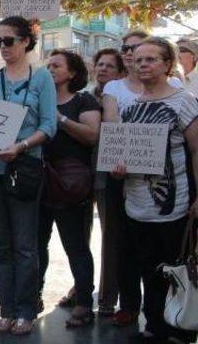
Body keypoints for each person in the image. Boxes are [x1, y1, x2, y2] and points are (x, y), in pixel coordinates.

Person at [0, 16, 57, 335]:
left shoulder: (41, 78)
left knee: (24, 243)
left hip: (24, 168)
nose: (2, 47)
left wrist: (21, 146)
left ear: (25, 42)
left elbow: (48, 126)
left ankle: (26, 310)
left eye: (8, 41)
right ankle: (6, 309)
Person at [111, 37, 198, 344]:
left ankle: (180, 328)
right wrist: (117, 167)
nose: (143, 64)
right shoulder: (130, 106)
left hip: (175, 203)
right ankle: (154, 325)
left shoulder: (184, 100)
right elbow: (119, 152)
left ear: (166, 64)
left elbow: (197, 150)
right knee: (148, 266)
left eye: (151, 59)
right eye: (138, 59)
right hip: (136, 203)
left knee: (175, 269)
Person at [101, 29, 165, 326]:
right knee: (123, 244)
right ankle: (128, 305)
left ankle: (163, 312)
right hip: (122, 176)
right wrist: (121, 155)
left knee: (160, 248)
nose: (130, 53)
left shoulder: (176, 87)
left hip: (164, 182)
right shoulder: (114, 88)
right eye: (126, 48)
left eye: (137, 49)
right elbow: (112, 122)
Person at [38, 50, 100, 327]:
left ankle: (84, 302)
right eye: (48, 65)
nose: (50, 69)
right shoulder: (37, 98)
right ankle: (33, 295)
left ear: (72, 72)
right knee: (35, 244)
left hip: (71, 185)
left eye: (56, 65)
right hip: (38, 181)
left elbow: (90, 136)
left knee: (75, 246)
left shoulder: (84, 100)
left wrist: (58, 118)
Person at [85, 48, 125, 317]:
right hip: (78, 177)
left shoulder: (123, 98)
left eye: (110, 66)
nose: (103, 69)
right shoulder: (83, 96)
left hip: (109, 177)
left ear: (121, 72)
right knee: (78, 239)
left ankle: (108, 298)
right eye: (100, 64)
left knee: (109, 240)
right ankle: (81, 291)